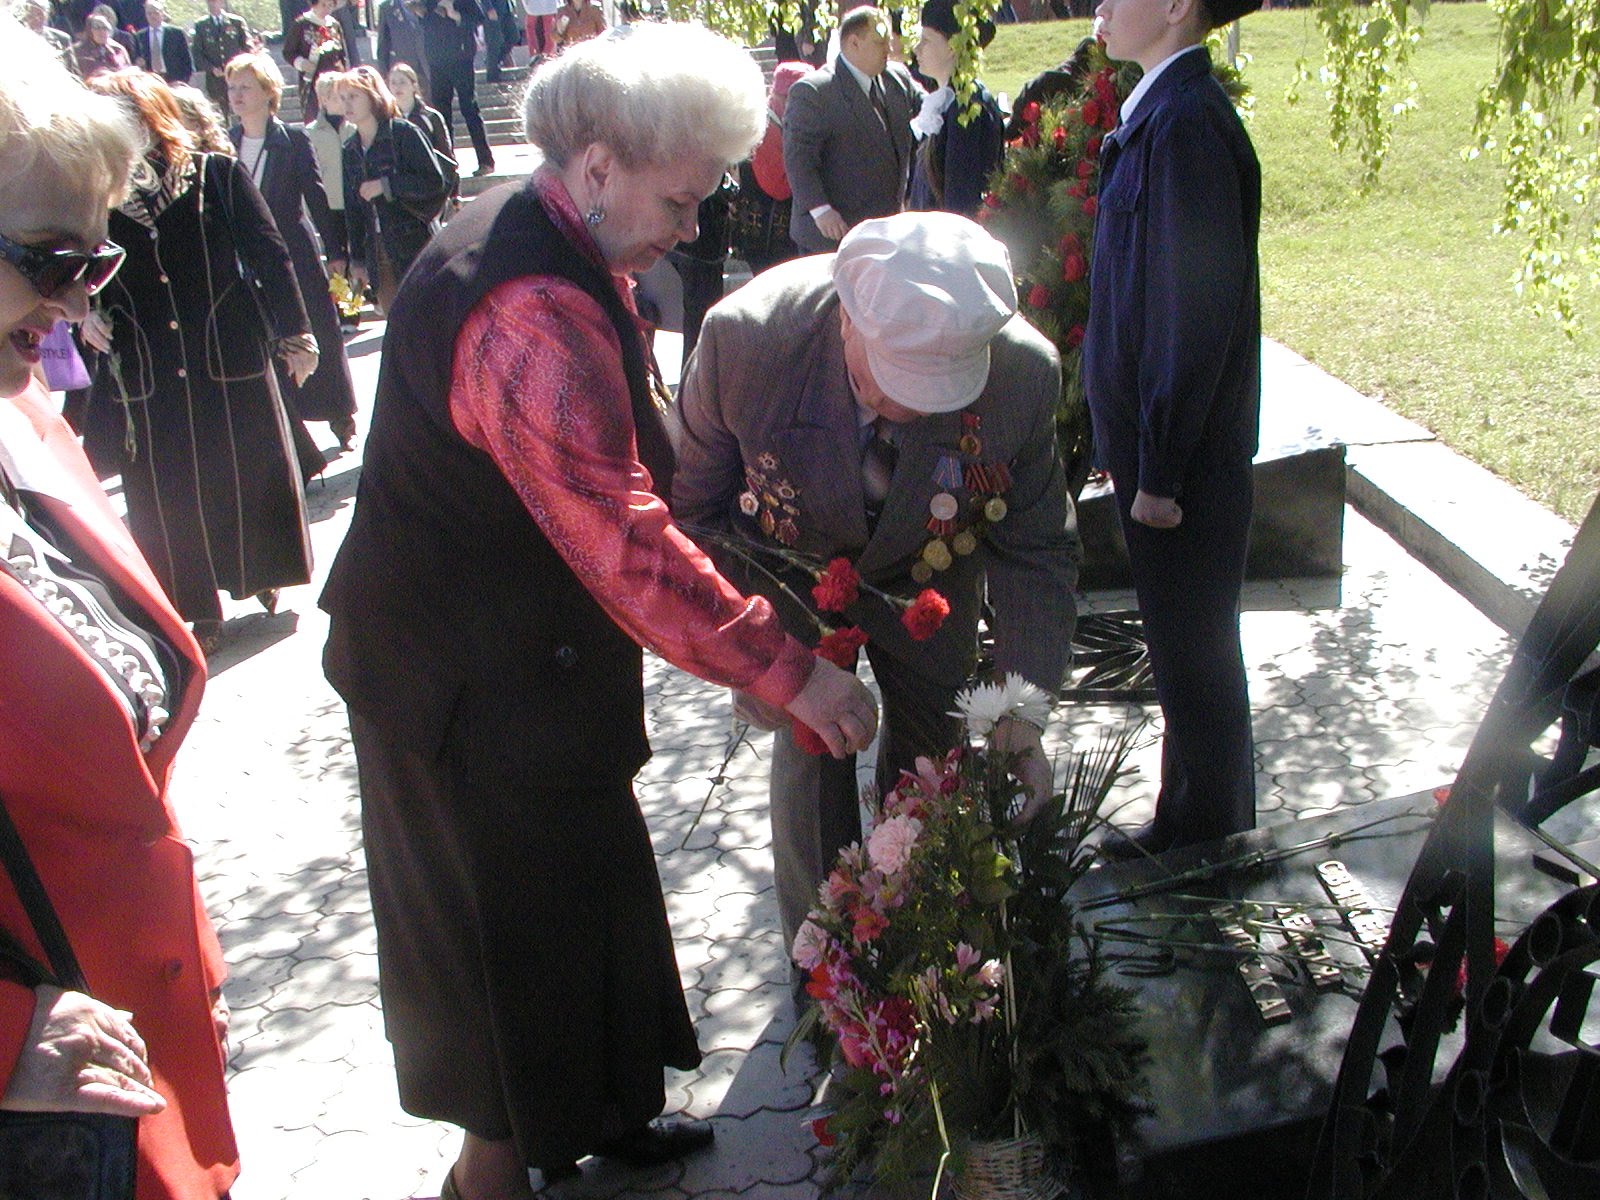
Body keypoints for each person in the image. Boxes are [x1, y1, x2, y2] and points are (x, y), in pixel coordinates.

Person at [318, 23, 878, 1200]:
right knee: (504, 951)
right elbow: (621, 539)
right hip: (456, 692)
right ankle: (490, 1175)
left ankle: (607, 1115)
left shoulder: (558, 237)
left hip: (529, 668)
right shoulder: (525, 309)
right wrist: (782, 668)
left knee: (590, 896)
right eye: (680, 203)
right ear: (596, 166)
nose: (692, 229)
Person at [672, 209, 1079, 968]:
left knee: (936, 758)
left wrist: (1019, 714)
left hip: (930, 574)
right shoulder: (747, 343)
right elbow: (690, 515)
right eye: (890, 383)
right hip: (790, 571)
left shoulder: (1023, 375)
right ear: (847, 320)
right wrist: (757, 662)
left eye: (938, 390)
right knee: (812, 757)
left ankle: (919, 956)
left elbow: (1037, 550)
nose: (910, 409)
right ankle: (825, 969)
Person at [0, 26, 238, 1199]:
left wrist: (186, 958)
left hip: (132, 1049)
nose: (75, 300)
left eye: (95, 260)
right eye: (52, 259)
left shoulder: (27, 419)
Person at [1083, 0, 1263, 857]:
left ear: (1178, 8)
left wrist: (1159, 468)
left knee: (1197, 657)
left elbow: (1191, 313)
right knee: (1184, 654)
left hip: (1183, 470)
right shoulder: (1163, 113)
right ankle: (1190, 822)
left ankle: (1213, 845)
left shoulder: (1186, 125)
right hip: (1163, 458)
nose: (1101, 6)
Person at [79, 68, 318, 646]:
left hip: (225, 352)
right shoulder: (95, 199)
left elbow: (271, 254)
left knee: (241, 469)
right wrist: (84, 313)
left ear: (147, 120)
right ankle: (198, 609)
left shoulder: (216, 174)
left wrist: (296, 334)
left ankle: (259, 572)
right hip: (148, 363)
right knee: (167, 492)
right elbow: (79, 270)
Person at [228, 52, 360, 450]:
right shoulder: (226, 143)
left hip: (294, 252)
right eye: (232, 88)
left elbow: (316, 196)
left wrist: (336, 250)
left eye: (245, 87)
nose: (236, 95)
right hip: (247, 258)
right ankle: (286, 425)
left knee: (319, 328)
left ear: (268, 92)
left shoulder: (292, 140)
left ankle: (340, 416)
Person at [782, 5, 917, 253]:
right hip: (832, 235)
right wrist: (821, 210)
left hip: (885, 232)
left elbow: (929, 114)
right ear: (854, 43)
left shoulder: (898, 79)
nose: (889, 50)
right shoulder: (814, 92)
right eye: (880, 42)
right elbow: (798, 159)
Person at [337, 65, 448, 313]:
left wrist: (387, 185)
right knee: (395, 321)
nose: (347, 104)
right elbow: (352, 209)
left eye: (353, 96)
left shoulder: (403, 133)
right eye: (342, 98)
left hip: (414, 243)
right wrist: (357, 259)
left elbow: (434, 181)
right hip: (378, 251)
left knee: (425, 318)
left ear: (373, 96)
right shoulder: (350, 149)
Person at [907, 0, 1003, 217]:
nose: (916, 49)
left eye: (926, 40)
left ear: (952, 47)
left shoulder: (967, 108)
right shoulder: (944, 101)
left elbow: (961, 198)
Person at [418, 0, 495, 176]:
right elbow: (424, 21)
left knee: (469, 108)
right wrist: (422, 13)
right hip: (437, 59)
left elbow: (478, 18)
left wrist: (455, 14)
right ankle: (447, 164)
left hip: (461, 57)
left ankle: (485, 160)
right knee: (441, 113)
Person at [305, 63, 354, 271]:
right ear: (323, 99)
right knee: (337, 262)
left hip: (356, 202)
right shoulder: (310, 133)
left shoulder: (355, 127)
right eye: (336, 96)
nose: (343, 101)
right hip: (329, 206)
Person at [390, 60, 458, 210]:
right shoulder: (387, 119)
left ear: (414, 85)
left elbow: (446, 155)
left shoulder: (431, 117)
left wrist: (454, 193)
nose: (397, 87)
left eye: (402, 82)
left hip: (431, 186)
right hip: (400, 189)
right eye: (393, 83)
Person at [283, 0, 345, 118]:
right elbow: (288, 52)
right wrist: (301, 63)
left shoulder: (334, 25)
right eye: (323, 5)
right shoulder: (301, 24)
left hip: (335, 79)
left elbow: (342, 54)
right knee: (314, 115)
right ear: (314, 4)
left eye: (330, 6)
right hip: (312, 80)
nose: (327, 9)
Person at [189, 0, 254, 108]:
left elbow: (247, 46)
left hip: (236, 73)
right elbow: (197, 53)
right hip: (215, 76)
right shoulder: (201, 25)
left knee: (241, 102)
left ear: (222, 2)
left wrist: (241, 65)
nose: (213, 4)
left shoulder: (235, 22)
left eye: (215, 1)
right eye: (210, 2)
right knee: (221, 105)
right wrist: (211, 68)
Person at [376, 0, 430, 97]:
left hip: (429, 68)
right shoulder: (387, 8)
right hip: (402, 69)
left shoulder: (430, 3)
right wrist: (384, 75)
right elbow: (383, 46)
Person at [134, 0, 191, 85]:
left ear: (162, 14)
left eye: (156, 13)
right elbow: (137, 59)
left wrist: (183, 80)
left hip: (174, 80)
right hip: (151, 81)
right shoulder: (140, 36)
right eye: (149, 13)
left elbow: (187, 59)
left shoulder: (176, 33)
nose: (152, 16)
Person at [73, 10, 131, 76]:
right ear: (89, 30)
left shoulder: (118, 49)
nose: (102, 31)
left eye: (105, 28)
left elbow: (129, 73)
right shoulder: (76, 51)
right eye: (97, 28)